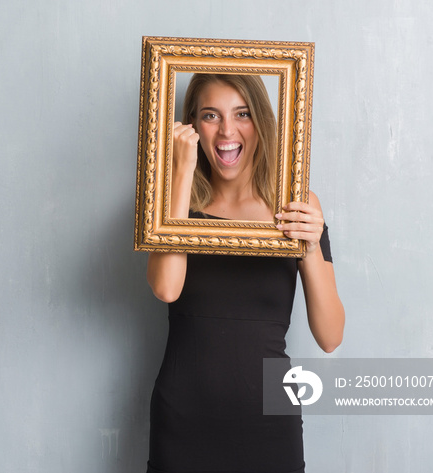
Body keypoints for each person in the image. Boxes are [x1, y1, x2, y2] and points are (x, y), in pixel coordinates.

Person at [145, 73, 345, 473]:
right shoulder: (171, 202)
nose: (227, 131)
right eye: (210, 115)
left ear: (262, 121)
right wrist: (178, 173)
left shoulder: (296, 203)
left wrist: (308, 246)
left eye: (243, 113)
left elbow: (330, 336)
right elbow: (166, 288)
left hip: (269, 423)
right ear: (191, 126)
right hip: (183, 420)